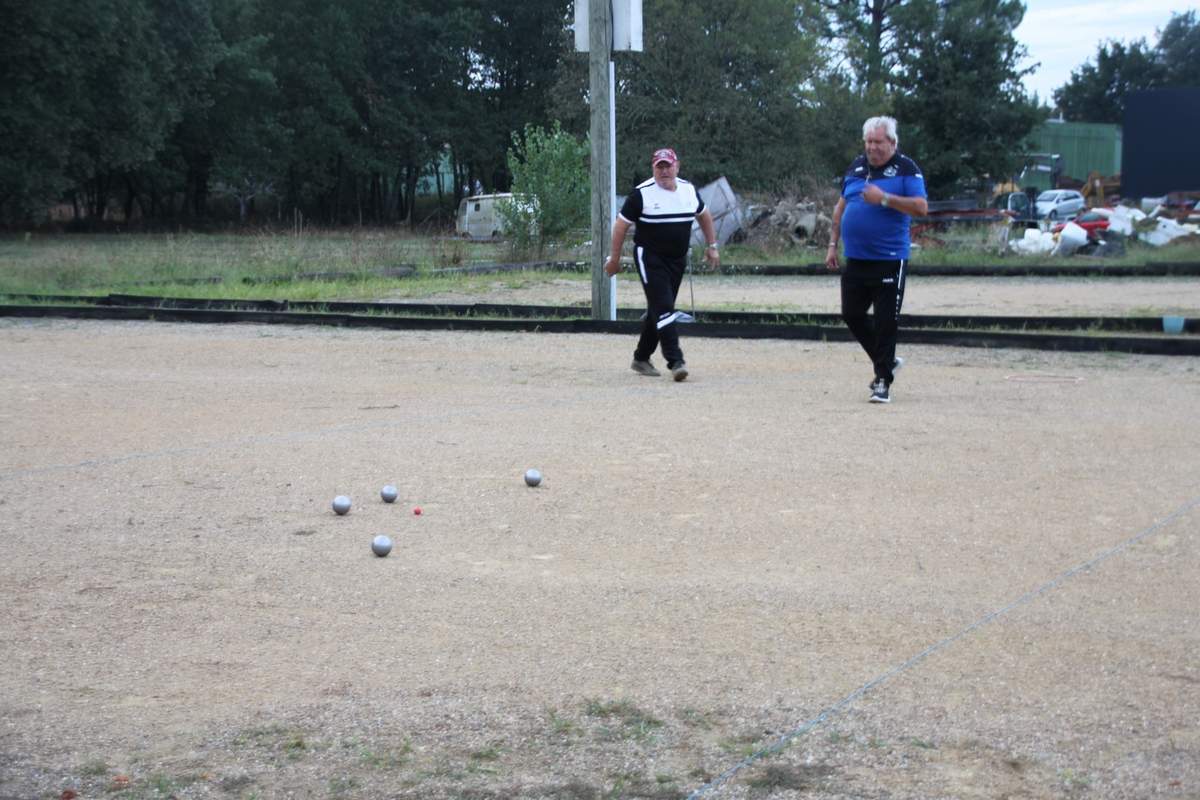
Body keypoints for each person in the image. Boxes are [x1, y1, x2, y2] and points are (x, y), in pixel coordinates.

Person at [825, 116, 928, 404]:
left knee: (885, 322)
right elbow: (841, 206)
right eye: (868, 142)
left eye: (878, 142)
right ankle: (888, 361)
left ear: (892, 143)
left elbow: (921, 207)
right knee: (852, 314)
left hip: (889, 258)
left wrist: (884, 198)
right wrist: (833, 244)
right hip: (856, 257)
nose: (872, 147)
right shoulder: (857, 167)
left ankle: (882, 380)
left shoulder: (907, 169)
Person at [605, 147, 720, 382]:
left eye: (668, 166)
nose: (664, 171)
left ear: (677, 166)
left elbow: (704, 215)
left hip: (677, 259)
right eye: (660, 167)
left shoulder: (688, 190)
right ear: (653, 169)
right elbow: (620, 226)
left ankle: (641, 358)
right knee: (665, 307)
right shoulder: (641, 194)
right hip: (650, 256)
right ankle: (676, 361)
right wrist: (614, 259)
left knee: (659, 308)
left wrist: (712, 246)